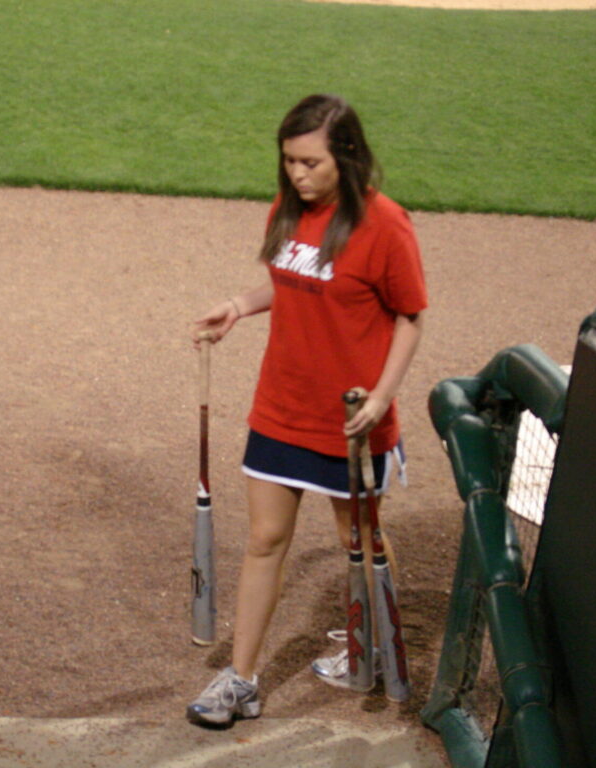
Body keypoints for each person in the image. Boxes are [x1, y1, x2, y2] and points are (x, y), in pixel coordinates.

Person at [185, 94, 427, 726]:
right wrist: (238, 305)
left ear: (346, 156)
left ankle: (371, 645)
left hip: (351, 420)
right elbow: (297, 280)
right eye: (289, 161)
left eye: (310, 162)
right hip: (281, 407)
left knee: (359, 538)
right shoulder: (288, 212)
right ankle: (240, 680)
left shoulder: (385, 224)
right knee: (265, 539)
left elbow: (409, 315)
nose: (297, 174)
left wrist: (381, 397)